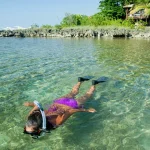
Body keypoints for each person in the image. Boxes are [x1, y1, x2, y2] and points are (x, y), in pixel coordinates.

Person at [23, 76, 107, 138]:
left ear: (40, 129)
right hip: (58, 102)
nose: (31, 134)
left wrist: (86, 110)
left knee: (87, 95)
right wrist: (30, 104)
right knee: (73, 92)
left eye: (32, 133)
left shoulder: (56, 123)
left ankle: (94, 84)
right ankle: (80, 81)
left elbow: (70, 111)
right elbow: (38, 106)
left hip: (70, 105)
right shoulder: (31, 117)